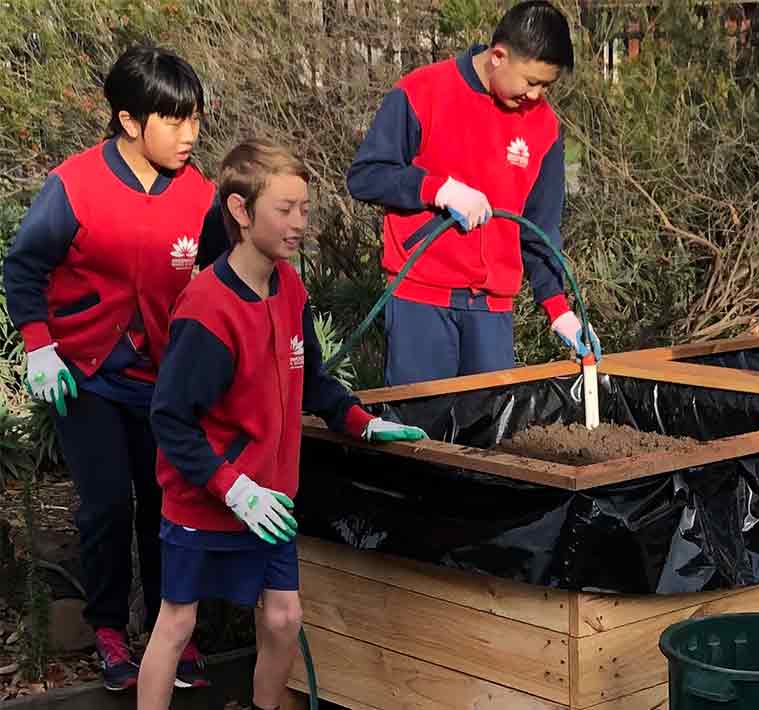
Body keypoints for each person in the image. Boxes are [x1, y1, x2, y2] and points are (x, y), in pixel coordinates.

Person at [138, 138, 426, 710]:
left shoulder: (290, 288)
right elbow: (170, 419)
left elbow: (311, 377)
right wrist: (232, 487)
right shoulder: (207, 311)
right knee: (177, 621)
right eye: (285, 209)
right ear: (241, 213)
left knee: (284, 616)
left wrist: (361, 423)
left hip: (270, 499)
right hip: (205, 502)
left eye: (304, 209)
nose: (300, 224)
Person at [2, 45, 219, 690]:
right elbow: (25, 266)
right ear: (129, 121)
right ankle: (103, 627)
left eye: (195, 120)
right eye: (174, 121)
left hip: (161, 378)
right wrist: (39, 345)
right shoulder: (75, 185)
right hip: (82, 373)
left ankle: (168, 627)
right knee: (104, 506)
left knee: (165, 505)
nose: (189, 136)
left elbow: (220, 273)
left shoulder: (198, 193)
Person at [347, 0, 601, 386]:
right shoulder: (422, 92)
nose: (535, 96)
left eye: (546, 86)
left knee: (487, 438)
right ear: (499, 56)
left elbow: (540, 227)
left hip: (492, 311)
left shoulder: (544, 128)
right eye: (531, 82)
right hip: (421, 300)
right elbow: (366, 176)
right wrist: (437, 188)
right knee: (420, 437)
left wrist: (559, 310)